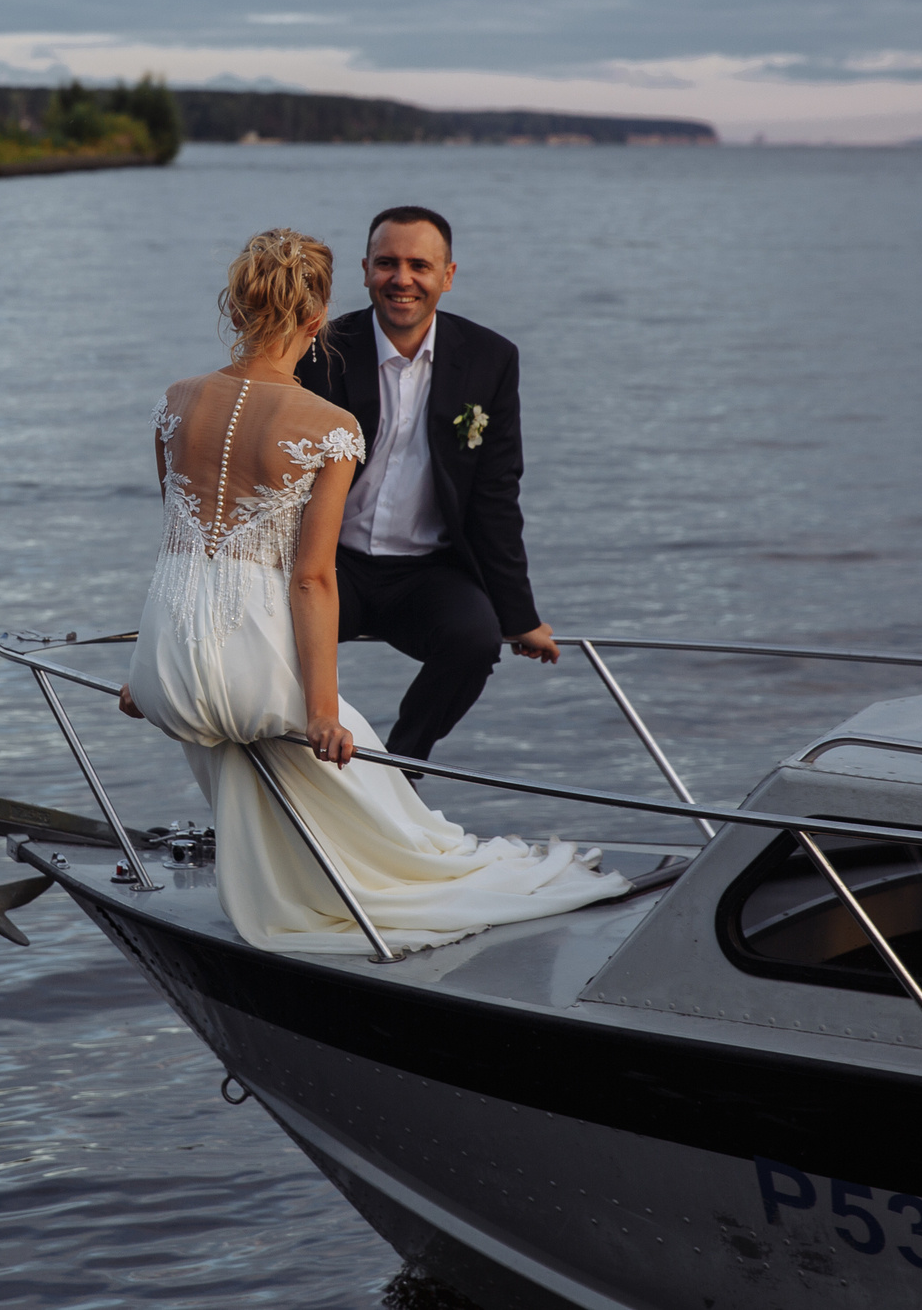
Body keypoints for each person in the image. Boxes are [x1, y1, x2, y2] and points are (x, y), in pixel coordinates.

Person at [118, 228, 624, 955]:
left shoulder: (174, 401)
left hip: (169, 666)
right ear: (319, 318)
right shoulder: (330, 428)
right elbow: (313, 577)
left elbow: (181, 538)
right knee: (394, 819)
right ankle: (331, 892)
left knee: (325, 782)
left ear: (234, 304)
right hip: (248, 671)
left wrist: (147, 668)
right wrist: (322, 712)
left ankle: (284, 878)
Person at [294, 205, 548, 763]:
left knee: (476, 642)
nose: (402, 279)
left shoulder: (491, 359)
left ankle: (397, 773)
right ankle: (291, 784)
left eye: (419, 265)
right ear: (364, 270)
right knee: (273, 645)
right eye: (387, 263)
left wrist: (520, 616)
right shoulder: (319, 351)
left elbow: (497, 494)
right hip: (331, 564)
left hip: (426, 573)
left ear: (448, 276)